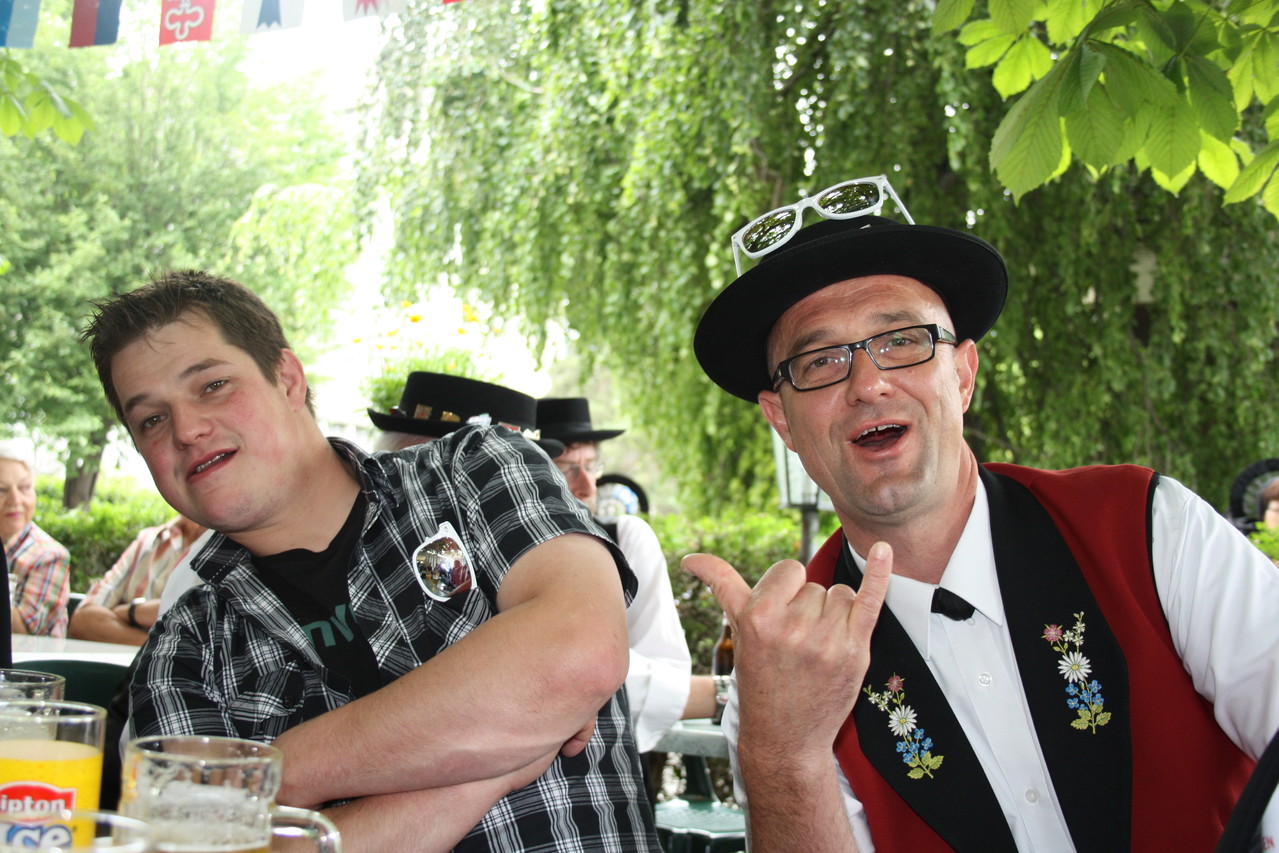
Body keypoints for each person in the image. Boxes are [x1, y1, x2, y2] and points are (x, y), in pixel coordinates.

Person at [683, 175, 1279, 851]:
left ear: (963, 375)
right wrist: (785, 753)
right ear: (782, 421)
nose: (868, 383)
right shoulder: (783, 664)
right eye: (820, 361)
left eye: (901, 340)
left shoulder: (1148, 526)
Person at [80, 270, 660, 852]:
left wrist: (272, 772)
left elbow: (578, 654)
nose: (186, 429)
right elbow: (204, 844)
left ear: (287, 379)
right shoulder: (186, 648)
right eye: (151, 419)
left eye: (212, 385)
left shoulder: (473, 471)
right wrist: (498, 762)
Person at [536, 398, 718, 753]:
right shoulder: (498, 551)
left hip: (613, 754)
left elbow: (668, 670)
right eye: (567, 470)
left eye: (591, 466)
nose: (587, 485)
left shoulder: (625, 537)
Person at [68, 514, 206, 645]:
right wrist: (160, 646)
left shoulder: (217, 551)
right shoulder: (148, 540)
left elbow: (199, 619)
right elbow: (82, 620)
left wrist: (130, 612)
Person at [0, 437, 70, 637]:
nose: (16, 500)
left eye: (25, 487)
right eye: (1, 490)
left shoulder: (49, 555)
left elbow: (27, 633)